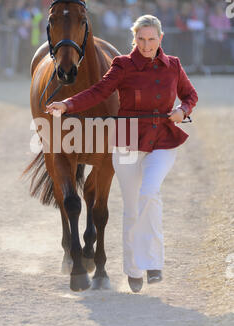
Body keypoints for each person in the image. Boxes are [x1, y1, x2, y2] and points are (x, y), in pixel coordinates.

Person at [45, 15, 198, 293]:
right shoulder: (122, 65)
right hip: (127, 140)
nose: (147, 44)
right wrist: (67, 104)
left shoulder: (173, 65)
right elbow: (98, 91)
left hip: (162, 139)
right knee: (131, 207)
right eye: (141, 39)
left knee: (149, 192)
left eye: (152, 39)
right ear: (134, 40)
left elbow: (190, 95)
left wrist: (183, 110)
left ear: (160, 39)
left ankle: (153, 262)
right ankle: (134, 270)